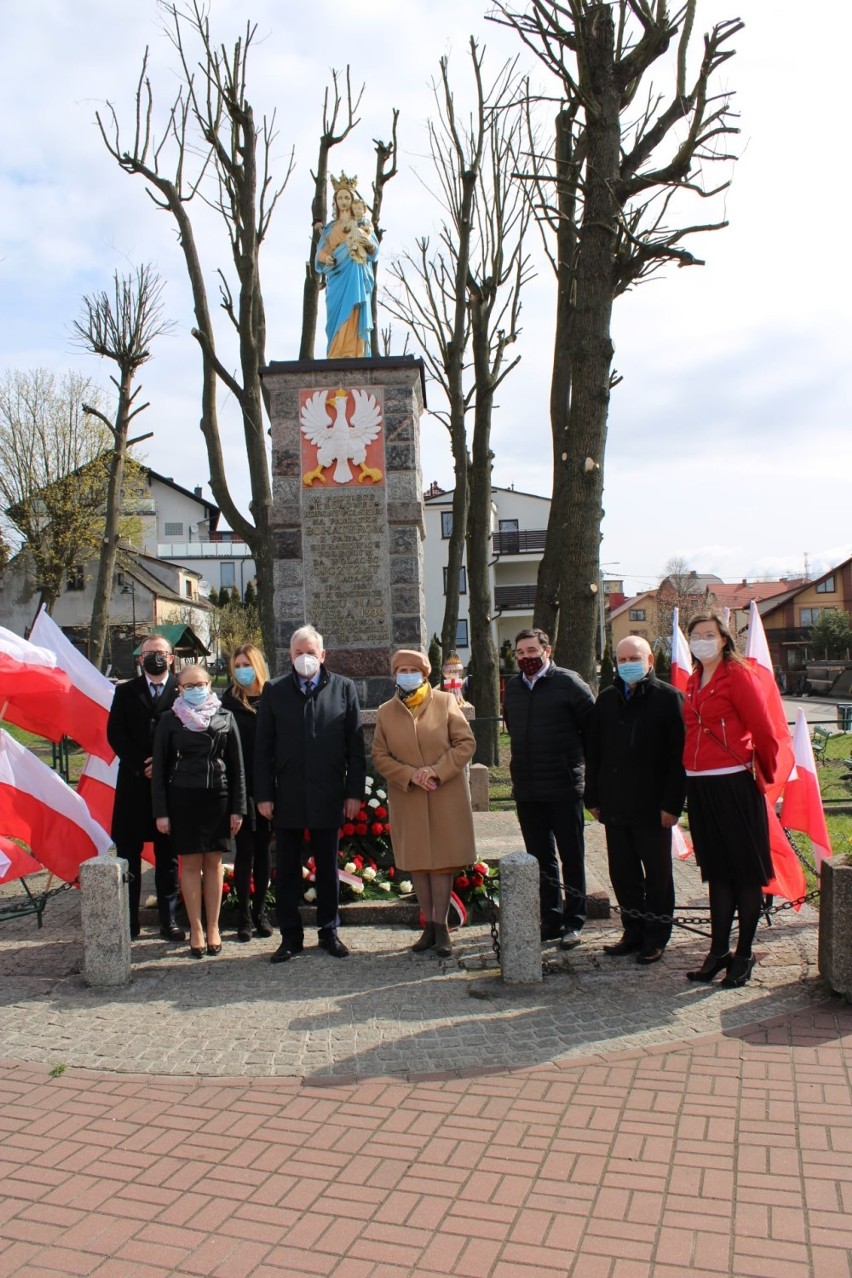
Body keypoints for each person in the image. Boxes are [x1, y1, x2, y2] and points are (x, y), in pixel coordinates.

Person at [255, 625, 366, 963]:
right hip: (286, 795)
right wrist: (263, 795)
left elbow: (355, 749)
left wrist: (353, 794)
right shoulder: (274, 691)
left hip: (328, 793)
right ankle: (290, 936)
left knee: (328, 868)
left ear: (323, 655)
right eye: (298, 652)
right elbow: (263, 749)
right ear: (290, 656)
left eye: (311, 652)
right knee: (286, 869)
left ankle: (329, 932)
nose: (305, 658)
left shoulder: (344, 689)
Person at [682, 611, 779, 988]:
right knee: (717, 872)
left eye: (709, 634)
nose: (702, 640)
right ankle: (718, 951)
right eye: (696, 634)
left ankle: (744, 953)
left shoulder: (738, 675)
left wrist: (764, 776)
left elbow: (765, 732)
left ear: (724, 639)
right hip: (700, 784)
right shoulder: (692, 680)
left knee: (744, 873)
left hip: (733, 783)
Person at [585, 636, 686, 965]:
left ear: (649, 661)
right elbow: (595, 753)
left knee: (657, 877)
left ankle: (655, 937)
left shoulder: (668, 699)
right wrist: (593, 796)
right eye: (622, 658)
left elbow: (677, 759)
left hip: (653, 808)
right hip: (615, 805)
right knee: (623, 874)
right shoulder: (607, 699)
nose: (627, 663)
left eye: (634, 657)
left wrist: (672, 805)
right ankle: (632, 930)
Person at [372, 649, 476, 958]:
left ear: (424, 674)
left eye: (412, 669)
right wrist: (410, 775)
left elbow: (465, 743)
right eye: (400, 669)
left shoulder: (445, 702)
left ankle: (442, 927)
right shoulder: (386, 711)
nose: (406, 674)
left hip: (443, 795)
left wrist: (437, 771)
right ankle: (428, 926)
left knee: (442, 862)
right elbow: (380, 755)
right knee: (417, 861)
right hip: (409, 796)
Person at [503, 628, 595, 948]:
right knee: (540, 858)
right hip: (528, 790)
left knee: (572, 856)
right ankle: (551, 918)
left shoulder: (569, 683)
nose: (526, 657)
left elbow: (593, 732)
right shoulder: (513, 688)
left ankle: (575, 920)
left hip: (564, 787)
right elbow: (512, 729)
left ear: (547, 650)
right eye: (520, 653)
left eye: (532, 650)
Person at [151, 664, 246, 958]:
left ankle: (214, 926)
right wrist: (161, 812)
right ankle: (196, 928)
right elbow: (159, 770)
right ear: (179, 689)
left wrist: (238, 809)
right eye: (189, 685)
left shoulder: (225, 716)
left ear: (210, 684)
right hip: (183, 798)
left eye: (200, 683)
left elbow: (238, 767)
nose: (196, 689)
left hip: (217, 796)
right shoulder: (170, 720)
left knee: (214, 863)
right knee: (190, 864)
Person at [106, 633, 184, 941]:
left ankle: (170, 920)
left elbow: (191, 731)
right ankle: (130, 921)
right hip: (134, 787)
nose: (156, 657)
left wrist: (165, 764)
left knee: (169, 858)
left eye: (161, 652)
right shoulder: (126, 693)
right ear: (140, 659)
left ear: (171, 657)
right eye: (149, 653)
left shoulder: (182, 690)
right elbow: (116, 734)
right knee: (129, 856)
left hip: (170, 787)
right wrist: (142, 764)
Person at [221, 644, 274, 942]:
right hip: (240, 787)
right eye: (237, 664)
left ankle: (260, 911)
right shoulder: (227, 701)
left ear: (257, 665)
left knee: (264, 851)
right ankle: (242, 917)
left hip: (267, 787)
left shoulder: (273, 697)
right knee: (244, 852)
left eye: (246, 663)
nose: (242, 669)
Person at [315, 174, 379, 358]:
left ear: (352, 201)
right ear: (335, 201)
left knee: (355, 309)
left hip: (356, 272)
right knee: (337, 316)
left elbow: (374, 251)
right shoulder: (329, 229)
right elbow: (319, 256)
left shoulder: (362, 225)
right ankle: (337, 351)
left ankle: (356, 351)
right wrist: (326, 258)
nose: (344, 201)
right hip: (337, 278)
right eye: (340, 198)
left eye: (347, 198)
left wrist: (365, 241)